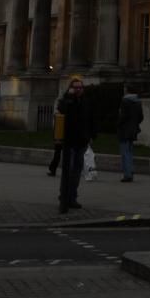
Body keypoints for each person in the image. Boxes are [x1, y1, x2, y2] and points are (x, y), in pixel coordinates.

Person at [56, 76, 94, 213]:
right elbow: (62, 109)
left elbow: (90, 120)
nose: (78, 90)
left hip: (81, 141)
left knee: (76, 172)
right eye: (75, 87)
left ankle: (72, 197)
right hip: (70, 142)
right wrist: (69, 97)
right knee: (68, 170)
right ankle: (64, 197)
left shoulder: (86, 102)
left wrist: (90, 136)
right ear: (71, 89)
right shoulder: (67, 101)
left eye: (80, 87)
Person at [117, 90, 144, 183]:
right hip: (133, 130)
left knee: (124, 152)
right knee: (130, 151)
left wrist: (119, 124)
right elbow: (141, 117)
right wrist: (134, 123)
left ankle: (127, 174)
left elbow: (122, 117)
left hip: (124, 130)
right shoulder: (138, 102)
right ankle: (131, 171)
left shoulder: (124, 102)